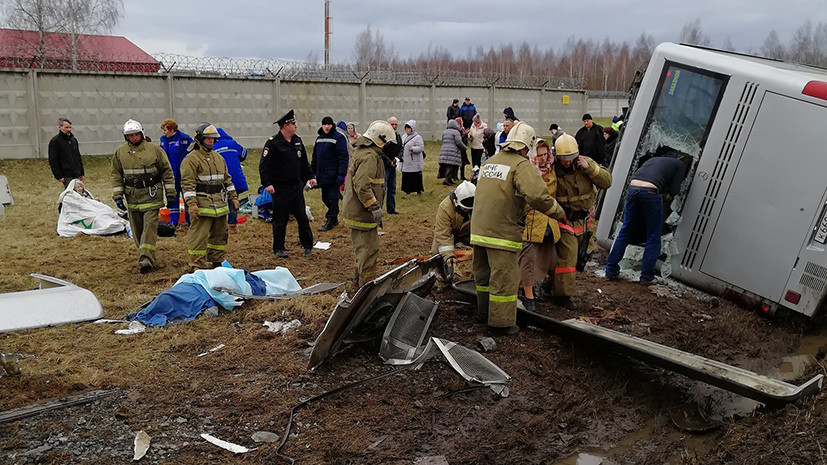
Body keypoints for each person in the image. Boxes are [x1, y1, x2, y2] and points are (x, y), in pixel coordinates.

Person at [471, 122, 565, 335]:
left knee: (484, 275)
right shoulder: (520, 165)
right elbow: (537, 196)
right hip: (502, 233)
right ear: (527, 146)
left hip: (478, 230)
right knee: (504, 278)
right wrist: (558, 212)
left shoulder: (490, 162)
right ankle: (501, 323)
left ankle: (484, 312)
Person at [551, 133, 612, 309]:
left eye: (571, 158)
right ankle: (562, 295)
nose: (567, 163)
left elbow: (607, 182)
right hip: (564, 220)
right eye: (564, 159)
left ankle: (551, 284)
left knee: (579, 257)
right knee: (567, 256)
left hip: (583, 222)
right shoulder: (553, 168)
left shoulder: (586, 164)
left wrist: (590, 169)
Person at [605, 155, 688, 284]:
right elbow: (674, 189)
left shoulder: (655, 160)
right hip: (651, 192)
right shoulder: (681, 165)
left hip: (632, 189)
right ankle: (646, 277)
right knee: (653, 236)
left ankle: (610, 270)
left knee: (626, 230)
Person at [111, 119, 176, 274]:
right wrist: (118, 196)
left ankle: (145, 260)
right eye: (130, 135)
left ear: (141, 133)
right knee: (138, 231)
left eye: (136, 134)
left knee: (149, 228)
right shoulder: (120, 153)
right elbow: (116, 175)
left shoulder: (154, 150)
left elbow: (167, 171)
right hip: (133, 197)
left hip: (152, 195)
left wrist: (171, 194)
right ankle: (145, 253)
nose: (134, 138)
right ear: (126, 137)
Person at [342, 120, 396, 285]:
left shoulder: (366, 152)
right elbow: (362, 186)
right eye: (386, 142)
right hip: (361, 214)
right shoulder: (370, 157)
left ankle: (357, 284)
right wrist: (374, 206)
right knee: (368, 252)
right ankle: (365, 290)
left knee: (363, 253)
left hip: (358, 213)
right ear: (380, 140)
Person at [259, 109, 317, 258]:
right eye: (293, 124)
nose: (295, 126)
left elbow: (304, 162)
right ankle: (278, 248)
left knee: (302, 218)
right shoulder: (273, 143)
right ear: (285, 126)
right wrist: (267, 184)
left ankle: (307, 246)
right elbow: (264, 166)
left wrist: (310, 176)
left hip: (296, 187)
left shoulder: (297, 141)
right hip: (280, 188)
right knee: (280, 220)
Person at [181, 123, 238, 271]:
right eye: (208, 139)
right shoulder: (191, 159)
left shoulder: (218, 158)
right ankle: (196, 264)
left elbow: (227, 179)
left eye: (213, 139)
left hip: (220, 204)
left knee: (220, 234)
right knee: (199, 236)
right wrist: (191, 203)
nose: (211, 141)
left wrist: (233, 196)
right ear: (200, 139)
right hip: (202, 205)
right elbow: (188, 184)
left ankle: (216, 261)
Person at [518, 140, 560, 312]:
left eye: (545, 154)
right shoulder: (527, 173)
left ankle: (543, 286)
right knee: (528, 260)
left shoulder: (551, 170)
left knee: (551, 259)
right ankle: (528, 297)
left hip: (550, 223)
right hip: (532, 223)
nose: (543, 159)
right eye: (539, 155)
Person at [432, 180, 475, 285]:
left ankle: (478, 278)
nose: (467, 210)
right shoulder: (445, 207)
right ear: (456, 201)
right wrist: (449, 259)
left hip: (471, 232)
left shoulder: (480, 204)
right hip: (451, 232)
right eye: (464, 207)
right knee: (436, 251)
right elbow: (443, 235)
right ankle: (443, 279)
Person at [311, 116, 349, 231]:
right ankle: (333, 217)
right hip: (322, 175)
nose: (326, 127)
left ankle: (331, 219)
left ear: (332, 125)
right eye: (324, 124)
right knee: (325, 198)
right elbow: (315, 157)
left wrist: (341, 174)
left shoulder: (339, 138)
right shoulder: (318, 139)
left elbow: (343, 157)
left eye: (328, 124)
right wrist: (311, 173)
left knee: (333, 198)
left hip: (333, 175)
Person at [158, 119, 194, 225]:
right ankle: (173, 221)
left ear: (172, 129)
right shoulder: (163, 140)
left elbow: (192, 153)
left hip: (184, 174)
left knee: (187, 197)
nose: (164, 132)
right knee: (173, 198)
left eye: (165, 130)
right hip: (171, 175)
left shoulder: (184, 139)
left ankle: (189, 220)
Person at [213, 127, 248, 227]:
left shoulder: (212, 147)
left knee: (222, 201)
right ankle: (232, 223)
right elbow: (244, 154)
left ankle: (222, 223)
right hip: (237, 179)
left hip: (221, 180)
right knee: (234, 200)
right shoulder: (233, 143)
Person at [48, 118, 84, 188]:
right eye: (66, 127)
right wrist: (58, 176)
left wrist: (81, 172)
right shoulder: (55, 141)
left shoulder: (73, 140)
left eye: (70, 127)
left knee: (78, 193)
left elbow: (78, 157)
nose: (69, 129)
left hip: (76, 174)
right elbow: (53, 160)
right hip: (66, 175)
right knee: (70, 193)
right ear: (60, 127)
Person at [383, 117, 404, 214]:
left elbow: (401, 148)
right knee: (383, 188)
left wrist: (397, 159)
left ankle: (391, 209)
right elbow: (381, 152)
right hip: (384, 166)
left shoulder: (398, 136)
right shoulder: (383, 136)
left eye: (396, 124)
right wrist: (388, 162)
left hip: (393, 165)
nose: (394, 126)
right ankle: (378, 210)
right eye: (392, 124)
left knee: (392, 188)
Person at [399, 120, 425, 194]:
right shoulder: (404, 136)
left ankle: (418, 190)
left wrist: (413, 149)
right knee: (407, 176)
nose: (407, 130)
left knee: (415, 176)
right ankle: (407, 190)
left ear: (412, 128)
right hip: (406, 161)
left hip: (414, 161)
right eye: (406, 128)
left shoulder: (418, 137)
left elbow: (421, 148)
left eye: (409, 128)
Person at [438, 119, 465, 186]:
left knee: (447, 165)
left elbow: (442, 141)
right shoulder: (456, 132)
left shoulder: (445, 132)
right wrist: (464, 147)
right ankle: (446, 179)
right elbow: (458, 142)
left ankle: (449, 179)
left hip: (444, 150)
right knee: (452, 166)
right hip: (453, 151)